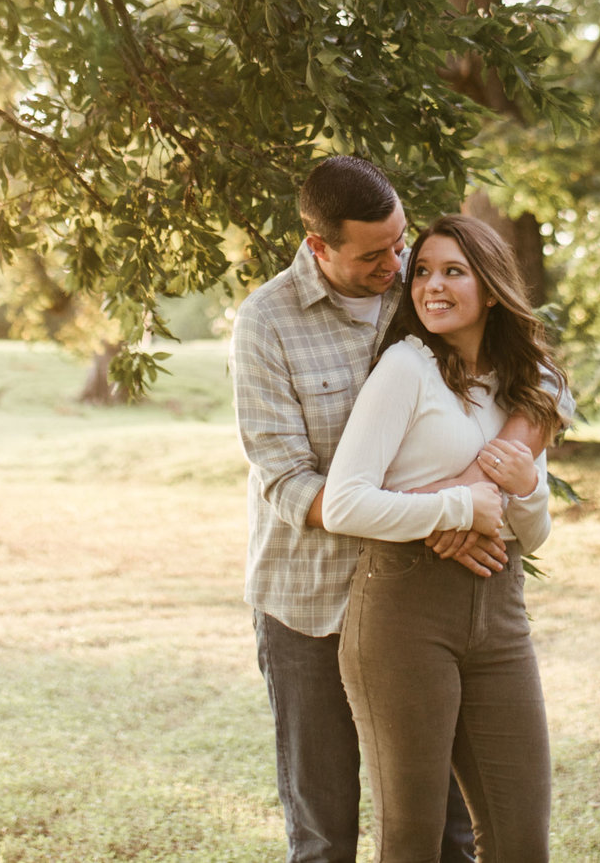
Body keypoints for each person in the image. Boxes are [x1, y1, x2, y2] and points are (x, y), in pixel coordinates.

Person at [231, 156, 500, 863]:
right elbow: (287, 480)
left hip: (418, 604)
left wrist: (475, 485)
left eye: (401, 240)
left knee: (443, 827)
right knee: (324, 834)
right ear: (319, 246)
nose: (398, 262)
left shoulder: (424, 287)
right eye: (373, 253)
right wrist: (446, 511)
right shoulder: (266, 322)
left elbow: (534, 384)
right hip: (309, 606)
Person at [322, 212, 568, 863]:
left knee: (521, 839)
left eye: (453, 271)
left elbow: (533, 535)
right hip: (404, 614)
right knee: (413, 839)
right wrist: (461, 503)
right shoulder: (407, 367)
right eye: (422, 271)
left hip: (501, 613)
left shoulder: (523, 385)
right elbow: (345, 501)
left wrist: (528, 487)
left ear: (489, 287)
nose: (431, 284)